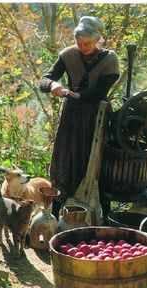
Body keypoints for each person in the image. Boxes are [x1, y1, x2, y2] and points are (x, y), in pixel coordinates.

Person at [39, 16, 120, 219]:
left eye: (87, 43)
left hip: (96, 118)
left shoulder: (110, 60)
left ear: (98, 39)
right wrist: (53, 86)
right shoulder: (68, 55)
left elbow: (100, 92)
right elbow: (45, 79)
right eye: (79, 42)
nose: (82, 47)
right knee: (64, 161)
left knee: (94, 164)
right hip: (70, 118)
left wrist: (79, 95)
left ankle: (102, 216)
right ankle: (56, 215)